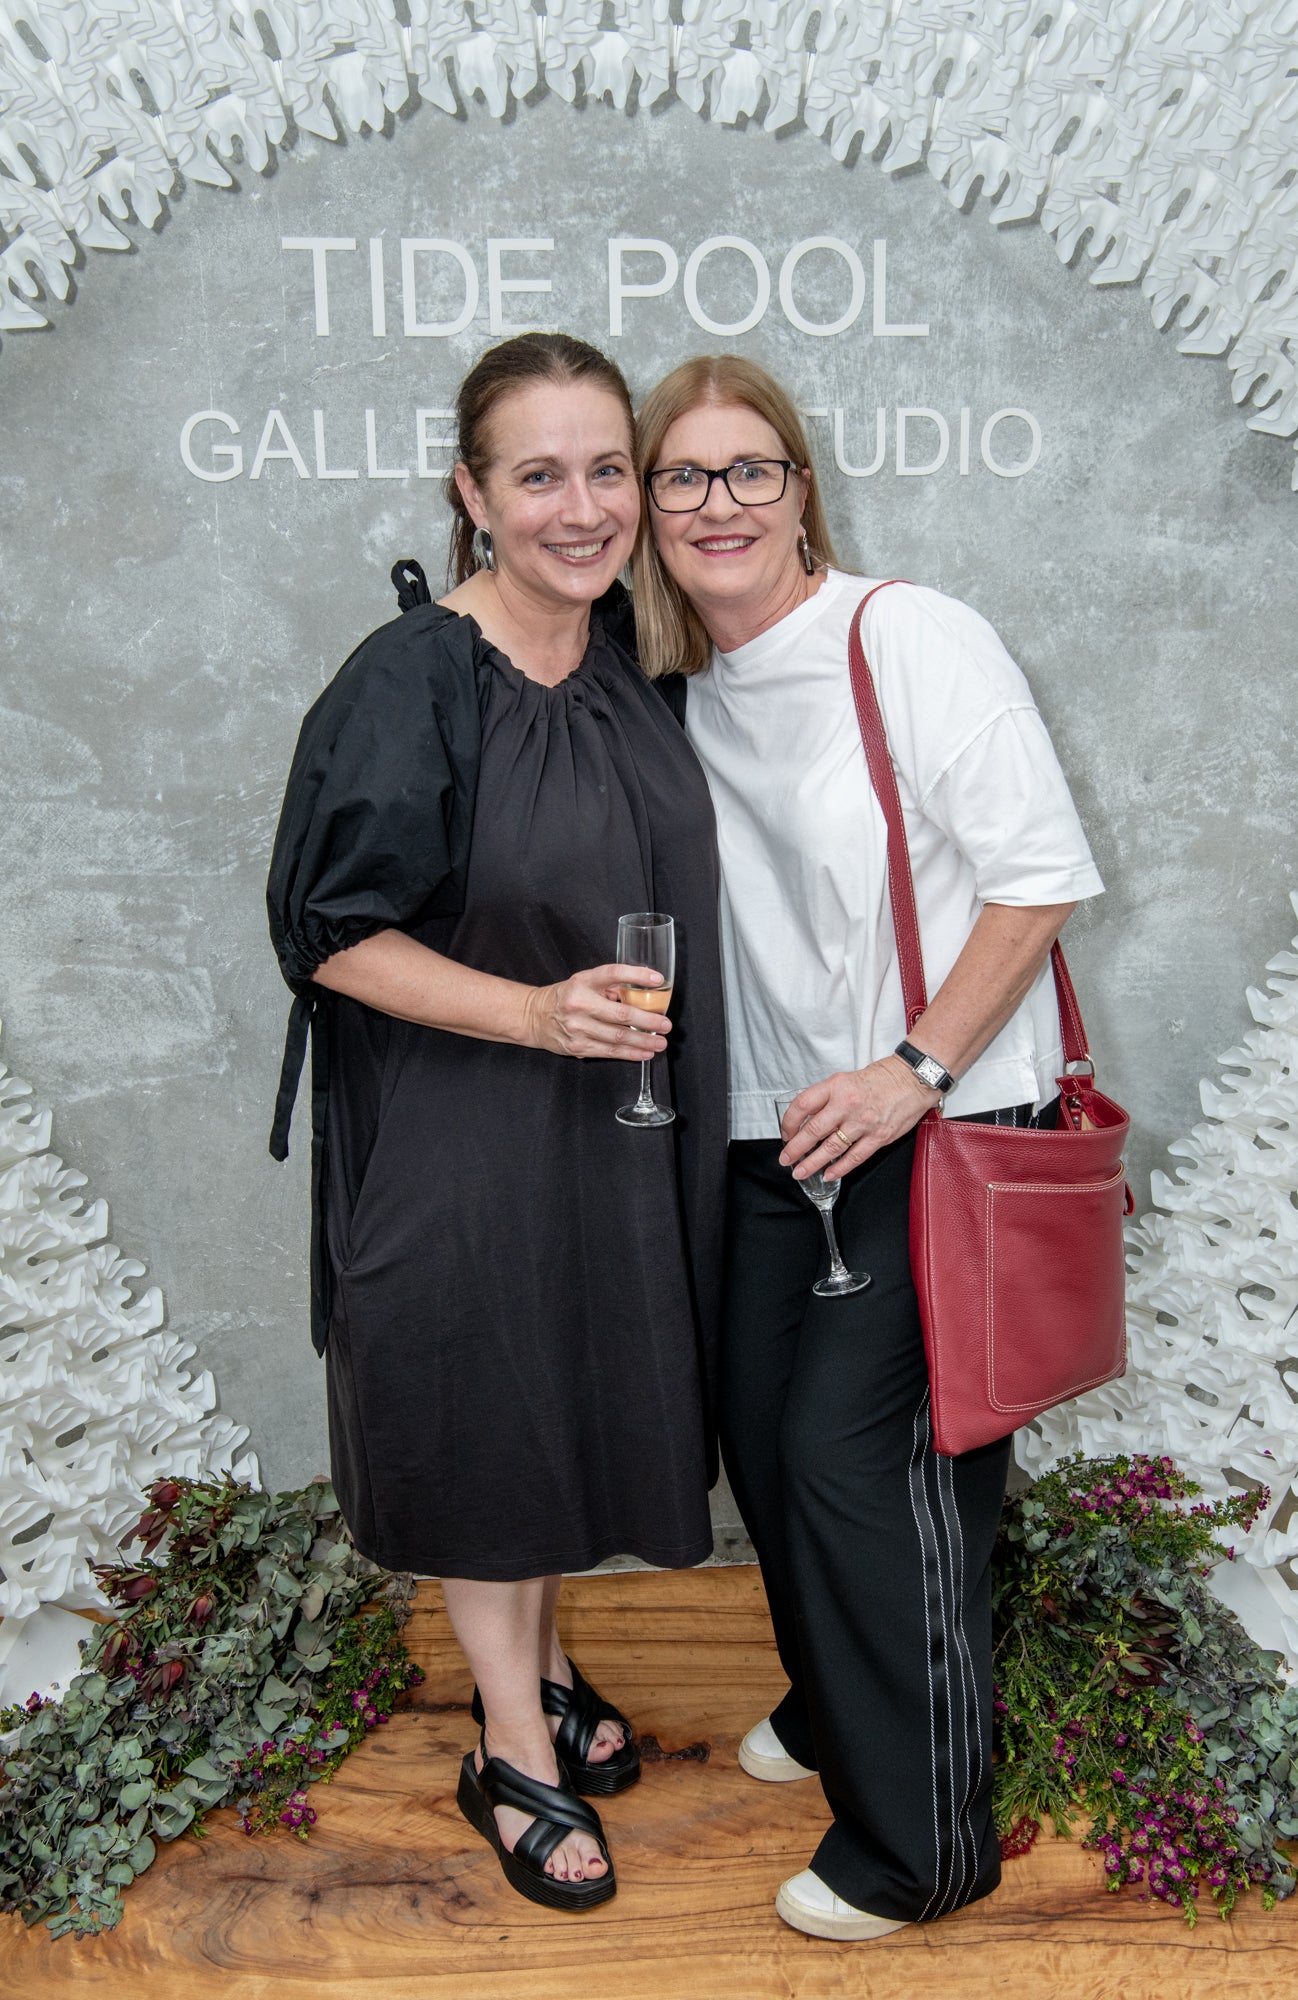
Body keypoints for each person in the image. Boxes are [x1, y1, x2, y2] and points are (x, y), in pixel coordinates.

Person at [631, 355, 1104, 1941]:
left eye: (749, 469)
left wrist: (914, 1067)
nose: (718, 503)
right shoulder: (679, 688)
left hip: (938, 1118)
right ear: (650, 505)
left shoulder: (905, 636)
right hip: (774, 1133)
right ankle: (842, 1705)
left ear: (799, 486)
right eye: (684, 475)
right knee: (766, 1450)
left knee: (857, 1461)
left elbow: (1036, 878)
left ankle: (921, 1846)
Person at [265, 332, 726, 1911]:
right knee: (488, 1420)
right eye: (539, 476)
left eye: (607, 470)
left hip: (604, 1122)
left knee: (557, 1404)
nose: (582, 508)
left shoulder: (621, 655)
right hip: (459, 1128)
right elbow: (329, 932)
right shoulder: (412, 678)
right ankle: (509, 1748)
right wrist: (534, 1015)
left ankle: (539, 1673)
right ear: (470, 494)